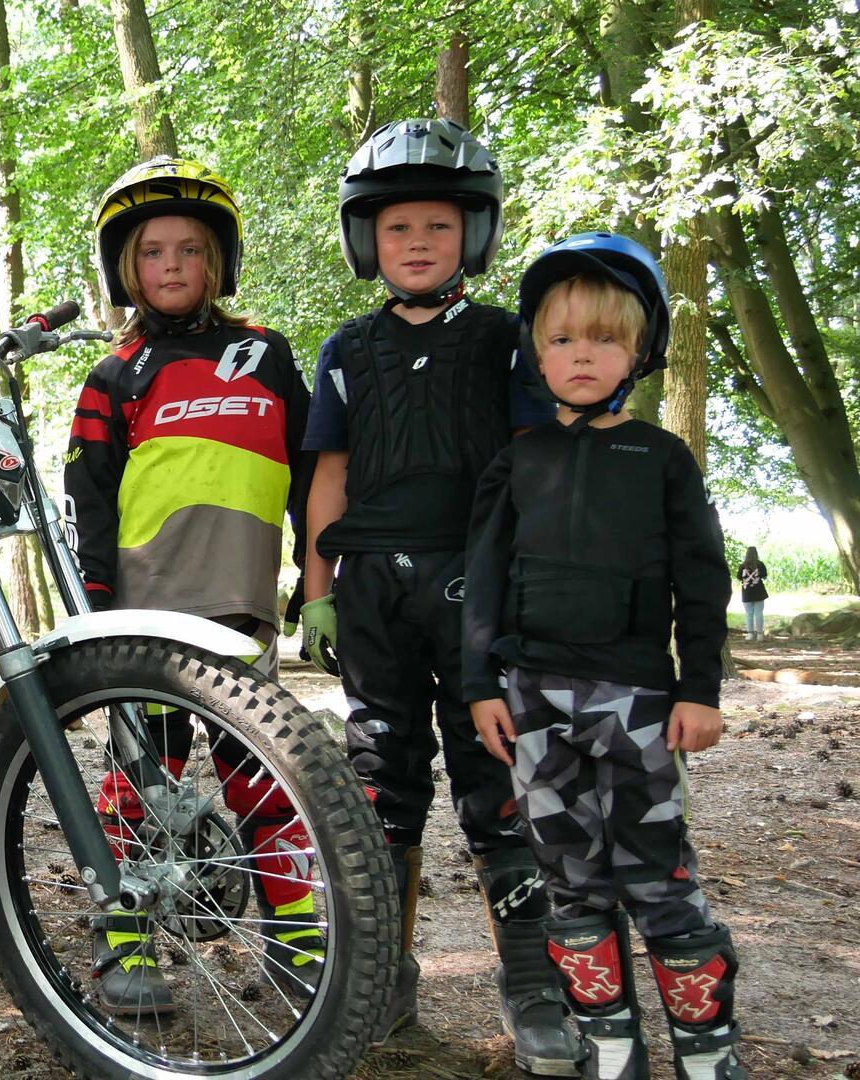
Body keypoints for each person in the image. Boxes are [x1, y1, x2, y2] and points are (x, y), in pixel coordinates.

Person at [298, 118, 576, 1071]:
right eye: (397, 228)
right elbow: (326, 475)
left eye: (440, 228)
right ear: (364, 240)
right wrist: (315, 588)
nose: (417, 243)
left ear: (477, 237)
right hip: (372, 588)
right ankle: (380, 972)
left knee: (500, 783)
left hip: (480, 588)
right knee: (380, 783)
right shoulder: (344, 349)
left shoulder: (507, 344)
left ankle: (536, 981)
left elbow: (539, 469)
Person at [463, 232, 745, 1080]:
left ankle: (706, 1050)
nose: (583, 354)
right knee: (571, 882)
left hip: (639, 704)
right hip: (536, 702)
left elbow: (703, 581)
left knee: (659, 874)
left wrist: (699, 688)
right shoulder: (515, 463)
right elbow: (483, 581)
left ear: (640, 351)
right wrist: (482, 685)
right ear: (535, 354)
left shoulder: (662, 460)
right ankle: (607, 1045)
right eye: (562, 339)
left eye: (605, 338)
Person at [63, 157, 322, 1015]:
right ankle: (124, 938)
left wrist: (321, 573)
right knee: (143, 779)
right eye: (150, 253)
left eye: (189, 250)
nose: (170, 266)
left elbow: (312, 471)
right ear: (124, 270)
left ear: (219, 261)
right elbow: (89, 493)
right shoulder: (115, 373)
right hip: (145, 611)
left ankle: (299, 937)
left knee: (265, 778)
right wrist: (97, 601)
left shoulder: (268, 356)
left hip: (241, 605)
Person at [737, 547, 768, 641]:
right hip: (759, 592)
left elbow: (739, 578)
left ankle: (750, 634)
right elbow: (765, 576)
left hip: (747, 592)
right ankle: (760, 635)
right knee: (759, 613)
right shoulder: (760, 564)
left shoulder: (742, 566)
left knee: (749, 613)